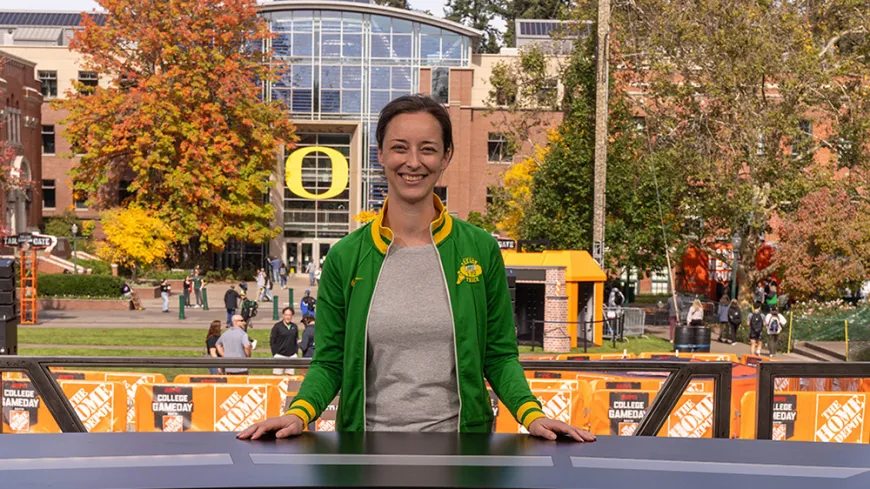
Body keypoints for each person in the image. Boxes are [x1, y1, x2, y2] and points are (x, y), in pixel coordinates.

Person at [239, 94, 594, 443]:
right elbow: (330, 362)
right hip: (365, 453)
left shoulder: (479, 249)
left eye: (427, 148)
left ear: (445, 157)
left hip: (461, 454)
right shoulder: (346, 256)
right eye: (399, 148)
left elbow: (499, 356)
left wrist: (532, 415)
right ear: (380, 155)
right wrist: (298, 413)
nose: (413, 162)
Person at [271, 307, 299, 375]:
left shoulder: (294, 326)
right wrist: (275, 353)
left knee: (289, 378)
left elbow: (296, 339)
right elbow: (272, 341)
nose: (287, 317)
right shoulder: (277, 326)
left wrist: (295, 353)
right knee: (277, 378)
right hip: (279, 355)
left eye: (289, 315)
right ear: (283, 315)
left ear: (292, 316)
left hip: (291, 356)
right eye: (286, 315)